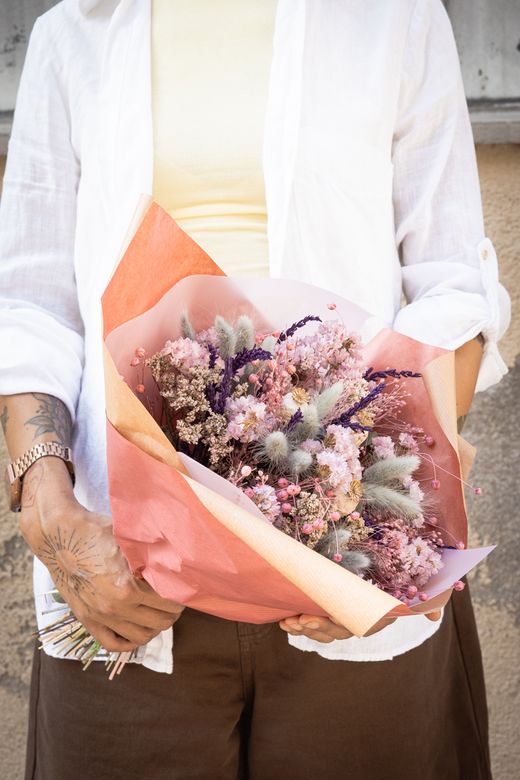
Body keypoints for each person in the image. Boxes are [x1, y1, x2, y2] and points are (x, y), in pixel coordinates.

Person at [0, 1, 510, 778]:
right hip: (125, 579)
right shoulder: (75, 34)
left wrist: (398, 526)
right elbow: (29, 305)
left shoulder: (395, 20)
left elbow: (451, 288)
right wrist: (48, 511)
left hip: (346, 564)